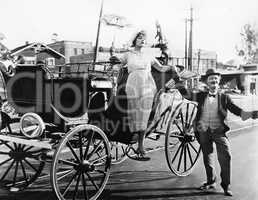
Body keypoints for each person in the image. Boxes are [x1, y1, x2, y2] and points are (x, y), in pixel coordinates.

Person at [184, 68, 256, 196]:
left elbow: (237, 111)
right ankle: (210, 182)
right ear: (207, 82)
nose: (214, 81)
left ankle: (226, 185)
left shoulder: (225, 97)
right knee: (207, 156)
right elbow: (184, 93)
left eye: (216, 79)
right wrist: (177, 79)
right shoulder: (200, 96)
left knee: (225, 156)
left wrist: (253, 114)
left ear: (219, 82)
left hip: (219, 132)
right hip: (203, 131)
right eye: (211, 79)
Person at [118, 30, 174, 160]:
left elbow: (161, 68)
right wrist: (113, 61)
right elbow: (118, 63)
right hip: (132, 84)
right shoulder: (128, 54)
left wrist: (172, 68)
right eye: (139, 38)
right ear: (135, 40)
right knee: (133, 113)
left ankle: (141, 145)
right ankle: (132, 138)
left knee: (144, 114)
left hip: (147, 85)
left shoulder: (149, 55)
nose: (142, 40)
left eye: (144, 39)